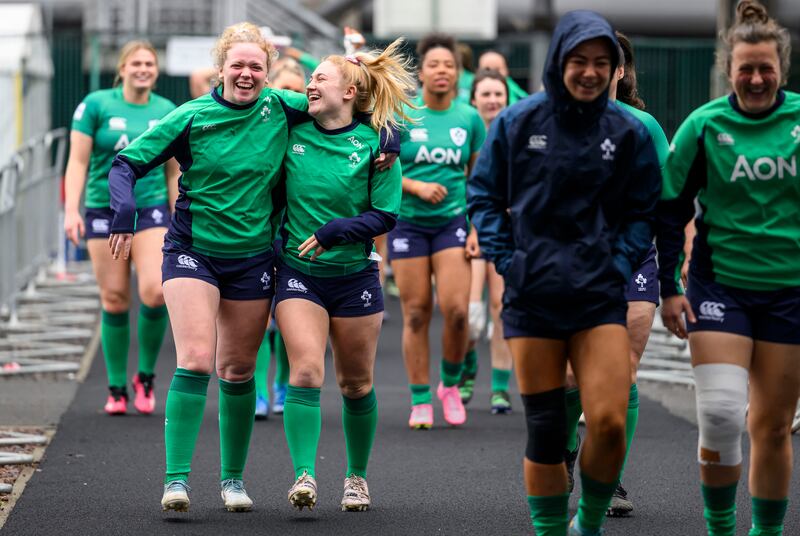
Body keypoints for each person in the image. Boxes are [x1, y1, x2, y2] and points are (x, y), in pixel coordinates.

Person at [469, 10, 661, 535]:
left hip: (599, 296)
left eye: (603, 62)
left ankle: (590, 523)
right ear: (559, 61)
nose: (591, 71)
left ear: (616, 69)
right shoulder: (518, 122)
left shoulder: (629, 131)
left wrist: (619, 262)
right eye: (580, 60)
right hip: (533, 296)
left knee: (608, 419)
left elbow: (647, 209)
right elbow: (484, 195)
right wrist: (508, 259)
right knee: (548, 430)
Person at [107, 22, 309, 514]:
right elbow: (125, 164)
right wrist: (123, 211)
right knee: (196, 358)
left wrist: (388, 140)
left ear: (268, 71)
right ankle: (176, 481)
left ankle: (233, 482)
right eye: (237, 65)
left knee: (238, 369)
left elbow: (351, 108)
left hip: (253, 257)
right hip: (192, 251)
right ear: (220, 69)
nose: (245, 74)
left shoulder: (282, 106)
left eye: (255, 67)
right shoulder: (191, 115)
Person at [657, 2, 799, 534]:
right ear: (728, 68)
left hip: (790, 291)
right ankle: (720, 529)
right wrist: (670, 288)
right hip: (720, 288)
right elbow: (670, 209)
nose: (757, 78)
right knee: (719, 414)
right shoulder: (705, 124)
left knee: (772, 425)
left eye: (766, 68)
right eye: (746, 68)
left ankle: (765, 531)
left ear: (781, 67)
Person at [276, 38, 414, 513]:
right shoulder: (292, 128)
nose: (309, 85)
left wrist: (339, 231)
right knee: (307, 370)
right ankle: (304, 474)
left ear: (350, 92)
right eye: (310, 78)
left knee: (356, 385)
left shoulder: (377, 143)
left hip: (355, 275)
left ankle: (356, 477)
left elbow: (386, 215)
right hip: (299, 273)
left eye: (320, 78)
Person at [561, 30, 671, 518]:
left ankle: (607, 478)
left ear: (620, 72)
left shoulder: (645, 125)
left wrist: (679, 276)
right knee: (569, 377)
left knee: (622, 370)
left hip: (634, 260)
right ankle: (565, 450)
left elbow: (669, 203)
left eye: (606, 62)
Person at [64, 40, 178, 416]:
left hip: (150, 210)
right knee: (114, 297)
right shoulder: (96, 104)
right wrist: (71, 211)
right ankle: (116, 386)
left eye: (150, 63)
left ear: (157, 71)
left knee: (154, 292)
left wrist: (179, 215)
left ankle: (144, 376)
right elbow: (77, 162)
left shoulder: (166, 110)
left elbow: (174, 170)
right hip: (104, 210)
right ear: (123, 68)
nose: (143, 69)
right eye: (136, 63)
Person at [389, 33, 485, 429]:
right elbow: (385, 169)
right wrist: (416, 186)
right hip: (409, 223)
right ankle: (420, 398)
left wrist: (477, 226)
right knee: (415, 313)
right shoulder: (403, 113)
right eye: (434, 65)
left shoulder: (470, 118)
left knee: (459, 311)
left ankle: (449, 383)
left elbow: (479, 178)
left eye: (449, 65)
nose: (442, 71)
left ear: (458, 74)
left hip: (452, 223)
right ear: (421, 72)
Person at [458, 68, 514, 415]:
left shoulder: (515, 133)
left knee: (500, 305)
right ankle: (464, 367)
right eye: (487, 94)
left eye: (499, 95)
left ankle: (499, 387)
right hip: (462, 230)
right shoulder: (463, 132)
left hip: (501, 230)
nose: (493, 100)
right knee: (466, 312)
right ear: (474, 98)